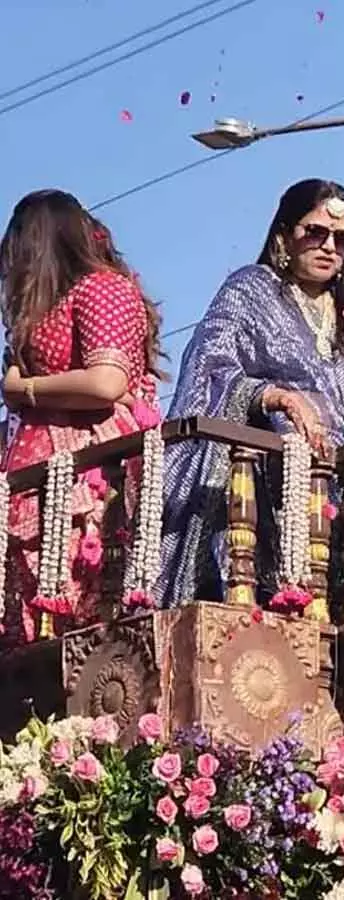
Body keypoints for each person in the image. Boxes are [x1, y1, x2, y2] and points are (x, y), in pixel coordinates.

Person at [154, 179, 344, 607]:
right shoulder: (250, 290)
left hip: (329, 477)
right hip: (259, 477)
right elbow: (211, 366)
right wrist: (276, 397)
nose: (329, 247)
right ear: (284, 235)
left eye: (342, 239)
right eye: (315, 232)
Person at [0, 190, 163, 643]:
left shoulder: (102, 288)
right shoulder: (48, 306)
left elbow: (106, 382)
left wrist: (25, 390)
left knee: (85, 607)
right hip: (36, 471)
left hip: (88, 465)